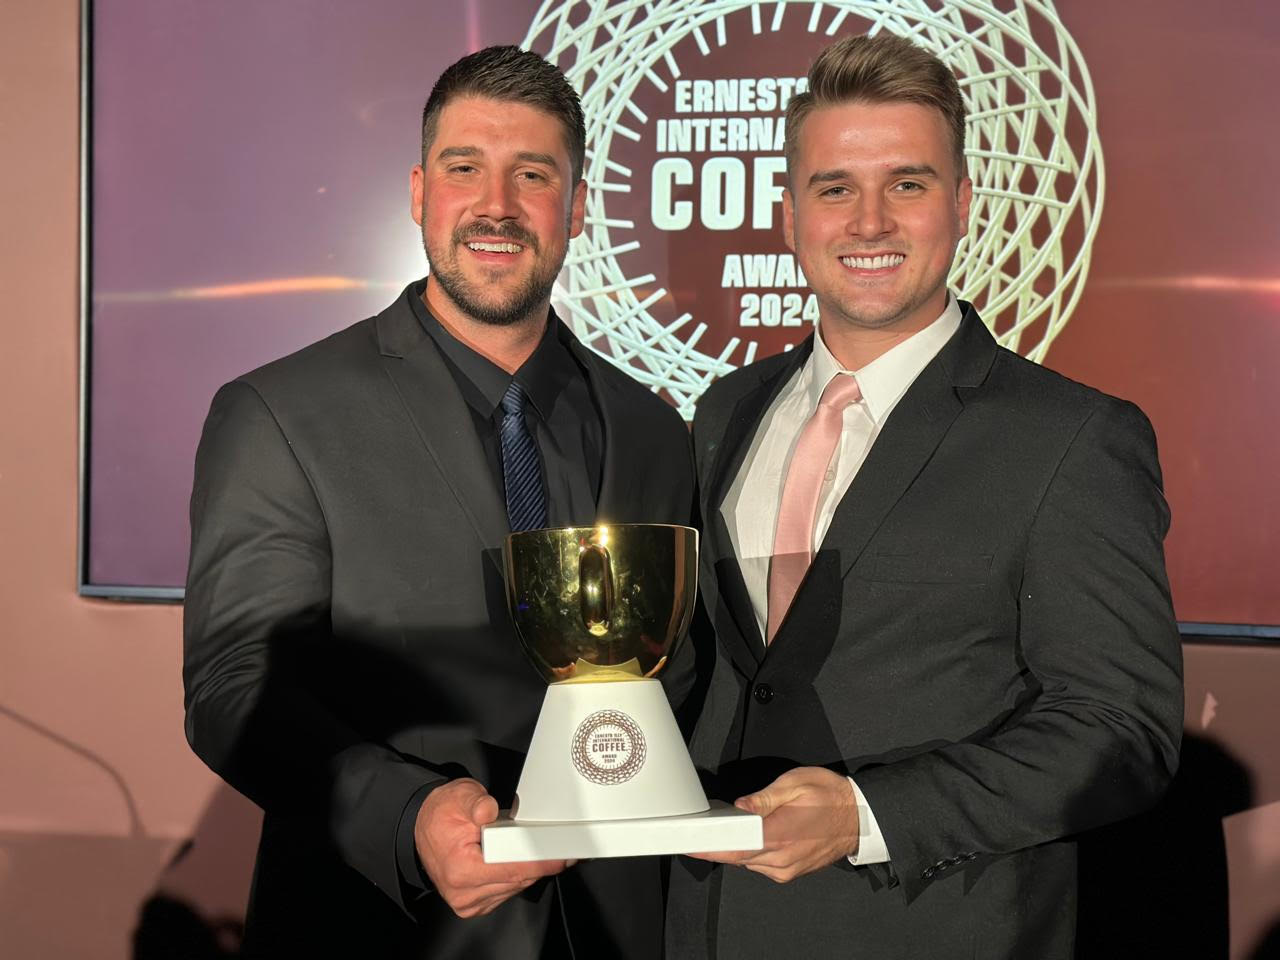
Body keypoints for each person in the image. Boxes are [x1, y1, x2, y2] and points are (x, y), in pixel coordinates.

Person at [665, 32, 1183, 959]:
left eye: (906, 184)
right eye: (835, 189)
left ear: (963, 205)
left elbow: (1120, 730)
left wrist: (868, 813)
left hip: (933, 930)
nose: (869, 222)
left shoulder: (1071, 438)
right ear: (790, 216)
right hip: (708, 927)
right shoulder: (723, 411)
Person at [183, 45, 694, 959]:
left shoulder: (653, 432)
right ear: (421, 192)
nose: (496, 205)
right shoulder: (280, 414)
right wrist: (408, 813)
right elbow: (235, 691)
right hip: (386, 927)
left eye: (532, 175)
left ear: (575, 209)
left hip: (620, 935)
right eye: (466, 169)